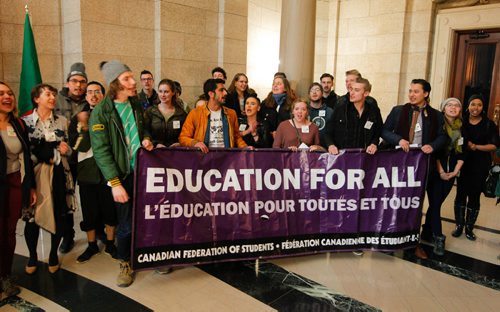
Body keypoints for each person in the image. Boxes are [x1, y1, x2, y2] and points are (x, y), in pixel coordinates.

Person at [89, 60, 153, 287]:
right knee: (125, 222)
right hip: (122, 175)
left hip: (143, 171)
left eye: (131, 77)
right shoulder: (101, 112)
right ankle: (124, 262)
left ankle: (147, 255)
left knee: (147, 217)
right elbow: (101, 151)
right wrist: (115, 183)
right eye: (127, 78)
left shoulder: (135, 104)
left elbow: (143, 128)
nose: (133, 81)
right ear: (115, 83)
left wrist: (146, 138)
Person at [382, 79, 446, 259]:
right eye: (410, 91)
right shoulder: (398, 111)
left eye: (416, 91)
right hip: (398, 166)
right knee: (395, 201)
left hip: (421, 168)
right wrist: (398, 140)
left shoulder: (436, 115)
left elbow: (443, 137)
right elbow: (384, 131)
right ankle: (391, 238)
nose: (411, 94)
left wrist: (432, 146)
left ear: (425, 94)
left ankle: (412, 243)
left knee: (415, 205)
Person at [23, 83, 77, 274]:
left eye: (54, 94)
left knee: (59, 214)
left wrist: (65, 150)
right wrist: (47, 153)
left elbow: (69, 149)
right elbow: (25, 151)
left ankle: (53, 253)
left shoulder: (62, 121)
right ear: (37, 99)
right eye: (48, 94)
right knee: (32, 217)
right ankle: (32, 256)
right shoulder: (25, 122)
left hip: (59, 174)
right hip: (35, 175)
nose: (53, 97)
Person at [69, 82, 118, 263]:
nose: (93, 95)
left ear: (103, 95)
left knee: (109, 208)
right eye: (89, 92)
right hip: (87, 172)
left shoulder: (111, 115)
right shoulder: (79, 118)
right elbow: (78, 147)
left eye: (97, 92)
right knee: (89, 210)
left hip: (108, 171)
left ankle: (111, 243)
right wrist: (84, 126)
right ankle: (91, 245)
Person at [0, 81, 36, 298]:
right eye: (1, 94)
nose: (7, 97)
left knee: (9, 232)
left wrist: (29, 186)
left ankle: (5, 275)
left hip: (13, 182)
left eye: (9, 93)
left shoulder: (18, 124)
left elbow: (27, 158)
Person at [421, 98, 464, 256]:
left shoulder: (460, 128)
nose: (453, 108)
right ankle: (439, 237)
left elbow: (462, 153)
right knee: (436, 204)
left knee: (435, 204)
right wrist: (441, 172)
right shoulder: (437, 124)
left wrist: (454, 172)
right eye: (449, 105)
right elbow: (435, 151)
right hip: (435, 170)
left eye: (456, 105)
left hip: (451, 172)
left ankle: (426, 230)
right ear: (443, 108)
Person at [453, 95, 499, 241]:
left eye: (479, 105)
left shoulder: (489, 124)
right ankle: (459, 226)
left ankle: (469, 228)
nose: (476, 108)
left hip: (480, 165)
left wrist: (476, 146)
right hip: (462, 163)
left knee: (474, 196)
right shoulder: (461, 122)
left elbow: (494, 145)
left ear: (483, 107)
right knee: (460, 194)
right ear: (468, 106)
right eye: (473, 104)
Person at [55, 62, 89, 254]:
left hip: (85, 158)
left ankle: (95, 230)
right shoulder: (56, 100)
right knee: (65, 198)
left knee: (89, 196)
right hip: (65, 158)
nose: (78, 85)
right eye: (74, 81)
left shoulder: (91, 99)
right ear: (67, 82)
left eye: (82, 81)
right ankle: (68, 235)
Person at [179, 78, 247, 153]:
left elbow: (237, 137)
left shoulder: (231, 113)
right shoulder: (195, 113)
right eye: (221, 90)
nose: (225, 93)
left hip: (226, 158)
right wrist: (195, 143)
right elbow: (183, 138)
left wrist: (246, 148)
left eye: (225, 90)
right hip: (203, 158)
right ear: (211, 94)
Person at [326, 77, 382, 155]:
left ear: (366, 93)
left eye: (356, 90)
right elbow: (328, 131)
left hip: (365, 157)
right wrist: (331, 145)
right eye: (351, 89)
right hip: (341, 156)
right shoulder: (341, 108)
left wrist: (374, 143)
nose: (351, 93)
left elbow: (378, 131)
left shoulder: (373, 110)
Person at [144, 79, 187, 148]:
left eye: (166, 92)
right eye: (160, 91)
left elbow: (186, 134)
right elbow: (145, 132)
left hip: (175, 153)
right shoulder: (150, 112)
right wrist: (155, 144)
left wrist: (180, 143)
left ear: (173, 93)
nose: (163, 95)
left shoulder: (181, 114)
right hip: (154, 152)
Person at [308, 82, 334, 148]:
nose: (314, 92)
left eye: (317, 90)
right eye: (312, 90)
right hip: (307, 149)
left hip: (326, 149)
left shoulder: (330, 111)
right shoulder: (304, 111)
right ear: (309, 94)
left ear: (322, 94)